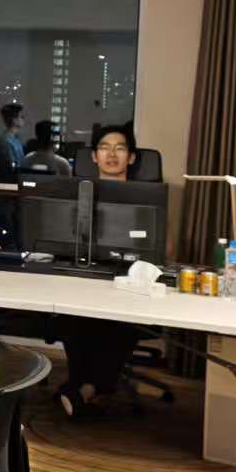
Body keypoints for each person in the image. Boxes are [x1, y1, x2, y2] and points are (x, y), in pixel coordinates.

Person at [56, 123, 141, 416]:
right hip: (85, 277)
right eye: (104, 148)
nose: (112, 154)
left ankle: (84, 390)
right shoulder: (80, 195)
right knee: (73, 316)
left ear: (131, 157)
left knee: (119, 321)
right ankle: (83, 389)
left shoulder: (144, 196)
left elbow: (162, 249)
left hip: (129, 282)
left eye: (120, 148)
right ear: (94, 156)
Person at [0, 102, 26, 181]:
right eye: (22, 117)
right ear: (14, 120)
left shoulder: (15, 139)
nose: (24, 119)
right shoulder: (6, 142)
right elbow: (11, 168)